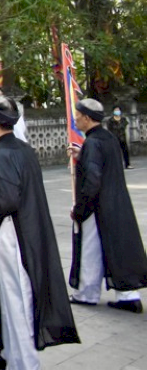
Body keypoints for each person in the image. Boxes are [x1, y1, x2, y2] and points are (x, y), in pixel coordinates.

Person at [0, 92, 78, 370]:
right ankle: (11, 353)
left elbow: (6, 201)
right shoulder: (23, 148)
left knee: (18, 299)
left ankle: (25, 363)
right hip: (28, 227)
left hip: (14, 233)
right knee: (11, 297)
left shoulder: (1, 154)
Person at [68, 98, 147, 313]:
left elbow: (93, 179)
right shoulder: (108, 138)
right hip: (117, 202)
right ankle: (129, 295)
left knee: (90, 249)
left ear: (86, 118)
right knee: (120, 248)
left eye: (77, 117)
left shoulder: (93, 143)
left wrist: (81, 208)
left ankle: (86, 293)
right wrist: (81, 154)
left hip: (98, 205)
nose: (76, 121)